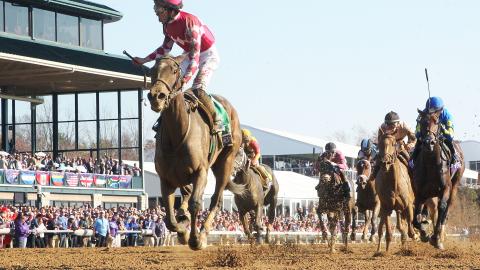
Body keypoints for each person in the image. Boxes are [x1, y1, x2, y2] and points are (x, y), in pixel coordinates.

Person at [134, 0, 229, 144]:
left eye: (159, 11)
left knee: (198, 89)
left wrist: (186, 79)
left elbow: (195, 58)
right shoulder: (167, 26)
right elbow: (165, 50)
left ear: (171, 11)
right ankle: (164, 121)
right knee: (171, 85)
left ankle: (217, 121)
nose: (157, 14)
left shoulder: (190, 23)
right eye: (156, 10)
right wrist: (143, 60)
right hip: (188, 53)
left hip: (207, 55)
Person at [410, 96, 460, 169]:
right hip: (427, 135)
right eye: (429, 111)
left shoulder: (447, 116)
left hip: (443, 135)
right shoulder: (422, 114)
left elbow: (450, 135)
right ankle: (412, 161)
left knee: (450, 141)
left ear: (441, 109)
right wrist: (422, 132)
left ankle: (454, 159)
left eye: (435, 111)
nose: (431, 113)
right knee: (419, 141)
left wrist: (442, 128)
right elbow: (417, 132)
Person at [369, 111, 416, 181]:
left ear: (398, 123)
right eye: (388, 125)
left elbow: (414, 139)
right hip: (388, 146)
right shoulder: (382, 128)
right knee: (378, 158)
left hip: (400, 146)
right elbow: (380, 143)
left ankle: (413, 176)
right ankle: (374, 175)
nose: (390, 128)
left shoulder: (405, 126)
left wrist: (410, 145)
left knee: (408, 159)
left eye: (392, 126)